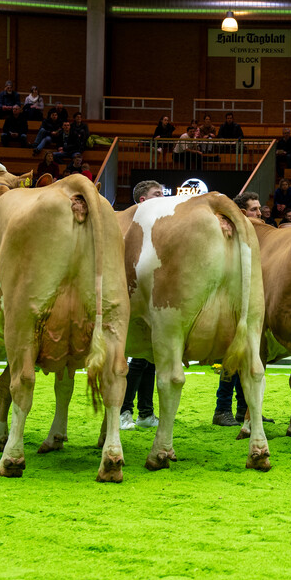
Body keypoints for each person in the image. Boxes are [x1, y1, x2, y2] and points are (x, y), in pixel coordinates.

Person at [213, 191, 276, 428]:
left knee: (248, 355)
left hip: (248, 299)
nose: (260, 214)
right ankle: (222, 409)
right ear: (241, 213)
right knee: (232, 357)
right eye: (254, 210)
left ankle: (244, 410)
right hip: (231, 300)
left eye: (259, 209)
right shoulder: (228, 233)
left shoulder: (256, 235)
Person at [120, 179, 164, 431]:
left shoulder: (160, 228)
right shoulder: (130, 225)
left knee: (150, 359)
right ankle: (124, 411)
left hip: (153, 297)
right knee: (135, 360)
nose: (163, 197)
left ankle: (145, 413)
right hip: (131, 296)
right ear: (143, 201)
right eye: (157, 194)